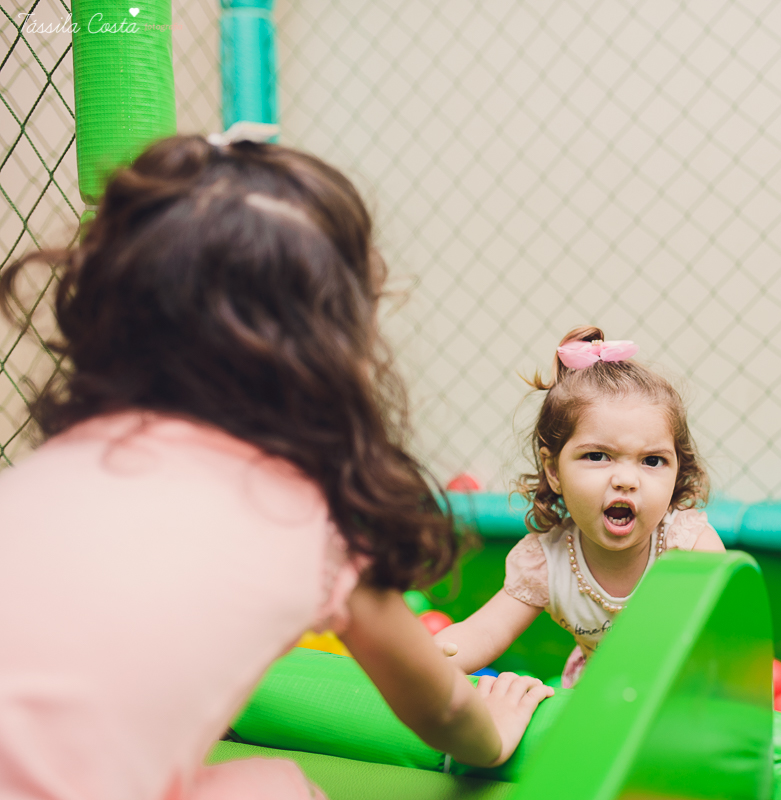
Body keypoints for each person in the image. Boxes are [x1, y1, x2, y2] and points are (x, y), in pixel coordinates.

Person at [0, 134, 552, 800]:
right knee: (283, 789)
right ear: (332, 342)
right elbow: (441, 708)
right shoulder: (305, 512)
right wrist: (493, 733)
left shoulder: (61, 462)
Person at [434, 327, 725, 687]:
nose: (626, 480)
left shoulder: (691, 548)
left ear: (678, 468)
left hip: (684, 698)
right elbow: (485, 631)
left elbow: (730, 641)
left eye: (652, 460)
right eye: (598, 456)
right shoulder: (546, 563)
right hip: (594, 697)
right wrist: (426, 658)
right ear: (554, 471)